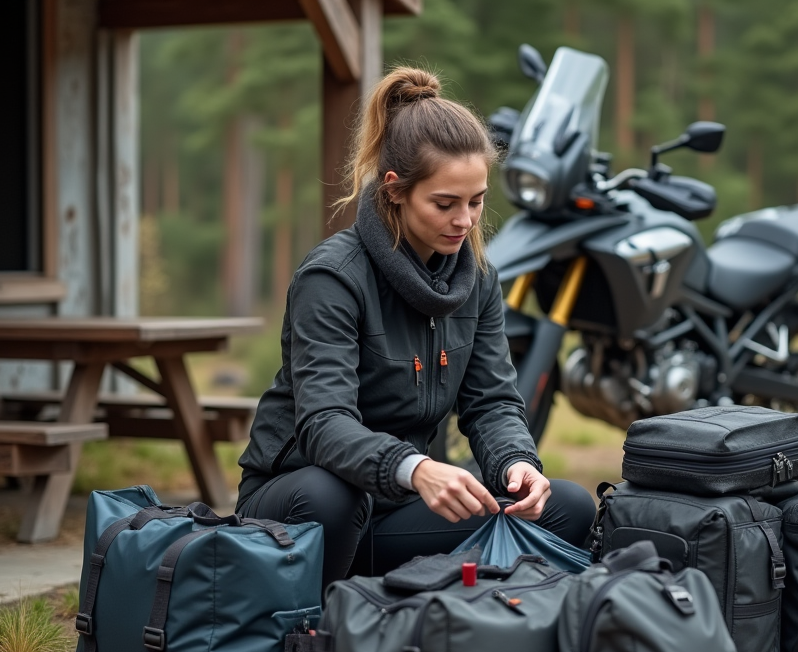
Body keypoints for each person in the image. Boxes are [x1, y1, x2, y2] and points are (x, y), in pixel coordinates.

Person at [236, 66, 595, 588]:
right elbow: (324, 423)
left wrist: (517, 464)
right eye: (445, 204)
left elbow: (492, 402)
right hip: (300, 503)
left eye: (476, 201)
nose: (465, 221)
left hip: (397, 509)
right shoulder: (332, 277)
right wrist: (415, 468)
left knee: (566, 507)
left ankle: (455, 621)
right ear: (395, 190)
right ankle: (309, 629)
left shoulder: (478, 280)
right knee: (332, 496)